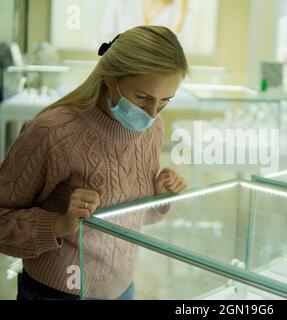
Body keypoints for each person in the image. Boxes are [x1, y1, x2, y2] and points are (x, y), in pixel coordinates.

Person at [0, 25, 189, 300]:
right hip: (57, 292)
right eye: (143, 98)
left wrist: (160, 197)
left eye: (164, 101)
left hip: (123, 288)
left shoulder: (153, 129)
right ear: (110, 78)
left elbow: (130, 218)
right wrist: (60, 224)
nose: (151, 114)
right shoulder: (52, 132)